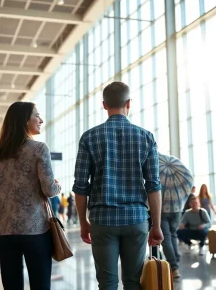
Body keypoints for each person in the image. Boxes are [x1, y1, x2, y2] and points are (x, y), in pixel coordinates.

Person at [73, 82, 163, 290]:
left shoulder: (89, 137)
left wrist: (83, 222)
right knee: (133, 282)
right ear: (129, 103)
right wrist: (156, 225)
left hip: (102, 220)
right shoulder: (146, 137)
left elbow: (80, 186)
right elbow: (153, 185)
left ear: (104, 105)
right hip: (136, 219)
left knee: (107, 283)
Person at [0, 102, 61, 290]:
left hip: (3, 230)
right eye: (37, 115)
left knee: (12, 286)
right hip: (34, 229)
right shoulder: (38, 149)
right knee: (40, 285)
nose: (41, 120)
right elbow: (49, 190)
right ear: (24, 120)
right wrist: (58, 186)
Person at [160, 153, 189, 279]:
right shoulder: (180, 174)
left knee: (166, 238)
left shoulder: (159, 175)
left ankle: (174, 267)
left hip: (162, 210)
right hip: (177, 209)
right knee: (172, 235)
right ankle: (175, 258)